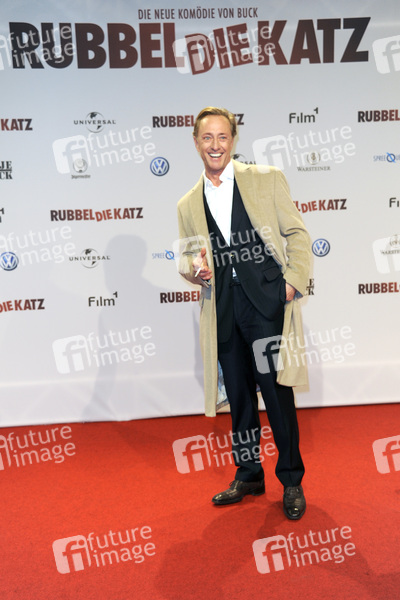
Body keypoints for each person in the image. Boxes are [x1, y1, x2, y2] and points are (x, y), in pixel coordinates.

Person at [177, 107, 311, 520]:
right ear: (196, 143)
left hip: (265, 304)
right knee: (238, 397)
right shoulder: (187, 203)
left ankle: (291, 480)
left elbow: (297, 232)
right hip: (222, 308)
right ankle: (249, 473)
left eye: (222, 137)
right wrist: (194, 269)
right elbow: (186, 257)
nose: (215, 145)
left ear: (233, 140)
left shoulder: (265, 179)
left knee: (276, 393)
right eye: (207, 138)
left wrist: (292, 281)